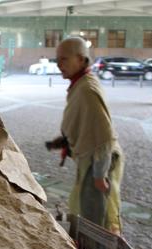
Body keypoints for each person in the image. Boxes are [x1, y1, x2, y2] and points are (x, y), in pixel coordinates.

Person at [48, 37, 124, 235]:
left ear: (81, 60)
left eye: (64, 59)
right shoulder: (80, 84)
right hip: (91, 160)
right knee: (85, 209)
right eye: (57, 60)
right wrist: (64, 140)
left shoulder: (87, 89)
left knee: (98, 218)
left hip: (99, 162)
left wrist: (99, 175)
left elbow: (104, 136)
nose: (59, 65)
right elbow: (85, 122)